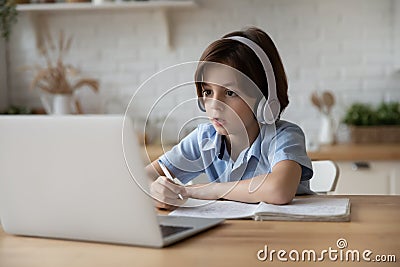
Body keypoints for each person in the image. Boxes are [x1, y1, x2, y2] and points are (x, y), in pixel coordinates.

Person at [145, 27, 313, 210]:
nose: (215, 104)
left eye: (230, 93)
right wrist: (154, 190)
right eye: (208, 92)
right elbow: (142, 177)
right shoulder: (204, 139)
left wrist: (213, 190)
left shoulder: (284, 137)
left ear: (265, 99)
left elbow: (279, 189)